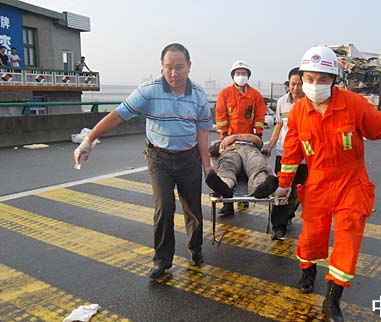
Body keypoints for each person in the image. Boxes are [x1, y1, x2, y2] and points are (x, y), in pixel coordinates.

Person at [275, 46, 381, 322]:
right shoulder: (297, 114)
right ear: (301, 78)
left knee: (347, 241)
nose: (315, 85)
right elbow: (292, 152)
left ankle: (332, 299)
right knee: (311, 238)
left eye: (323, 79)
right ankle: (308, 272)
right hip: (317, 184)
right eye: (310, 78)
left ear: (334, 79)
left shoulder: (353, 105)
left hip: (351, 183)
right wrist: (284, 186)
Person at [74, 43, 213, 280]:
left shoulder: (199, 95)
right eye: (168, 67)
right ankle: (162, 261)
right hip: (159, 158)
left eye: (179, 67)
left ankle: (195, 249)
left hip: (189, 157)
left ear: (189, 66)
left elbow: (202, 132)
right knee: (164, 208)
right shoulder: (149, 91)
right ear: (161, 66)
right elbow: (117, 115)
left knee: (193, 208)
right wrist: (89, 140)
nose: (173, 73)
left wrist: (207, 164)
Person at [206, 60, 278, 216]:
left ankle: (261, 187)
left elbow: (259, 117)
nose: (241, 76)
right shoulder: (225, 94)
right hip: (230, 143)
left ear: (248, 76)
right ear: (233, 76)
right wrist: (225, 136)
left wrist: (257, 135)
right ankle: (224, 187)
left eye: (244, 73)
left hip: (250, 143)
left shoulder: (255, 96)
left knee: (257, 165)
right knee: (227, 165)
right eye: (238, 73)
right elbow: (221, 116)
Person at [262, 67, 307, 240]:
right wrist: (270, 146)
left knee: (298, 191)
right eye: (293, 84)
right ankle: (278, 226)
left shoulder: (312, 102)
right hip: (284, 153)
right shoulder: (282, 102)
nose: (296, 88)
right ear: (288, 85)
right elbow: (279, 125)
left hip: (305, 157)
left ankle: (289, 215)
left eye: (300, 84)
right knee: (281, 190)